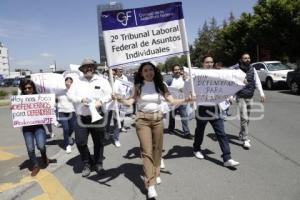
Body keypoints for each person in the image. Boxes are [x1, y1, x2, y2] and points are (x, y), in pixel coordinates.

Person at [113, 62, 195, 198]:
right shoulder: (138, 86)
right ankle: (150, 184)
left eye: (150, 69)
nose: (148, 72)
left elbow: (172, 101)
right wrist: (119, 99)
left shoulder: (160, 85)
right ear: (141, 73)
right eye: (145, 70)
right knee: (147, 151)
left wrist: (186, 100)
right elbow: (129, 102)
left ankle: (156, 173)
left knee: (157, 149)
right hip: (142, 121)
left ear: (154, 71)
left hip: (157, 120)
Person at [67, 58, 112, 177]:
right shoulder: (77, 82)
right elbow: (70, 95)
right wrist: (80, 99)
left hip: (97, 117)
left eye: (90, 66)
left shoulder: (102, 80)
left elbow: (109, 95)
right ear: (82, 69)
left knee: (99, 142)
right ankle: (87, 163)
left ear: (94, 68)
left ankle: (98, 164)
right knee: (80, 142)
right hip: (82, 117)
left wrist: (101, 102)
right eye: (86, 67)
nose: (88, 68)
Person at [193, 56, 240, 168]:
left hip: (215, 108)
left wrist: (228, 97)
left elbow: (223, 88)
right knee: (200, 131)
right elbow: (190, 87)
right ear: (203, 63)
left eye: (211, 62)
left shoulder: (218, 75)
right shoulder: (197, 75)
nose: (209, 64)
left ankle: (227, 158)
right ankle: (196, 149)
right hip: (202, 109)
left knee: (221, 133)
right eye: (207, 62)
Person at [232, 53, 265, 148]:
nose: (247, 59)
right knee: (244, 118)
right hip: (240, 96)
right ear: (241, 59)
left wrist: (262, 93)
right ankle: (245, 139)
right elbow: (232, 83)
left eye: (248, 58)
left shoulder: (252, 69)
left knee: (248, 118)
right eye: (245, 58)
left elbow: (257, 81)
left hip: (250, 96)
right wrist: (231, 96)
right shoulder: (236, 70)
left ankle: (242, 134)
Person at [18, 79, 49, 176]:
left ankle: (44, 155)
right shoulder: (19, 100)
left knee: (41, 146)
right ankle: (36, 165)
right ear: (22, 89)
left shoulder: (39, 98)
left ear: (33, 88)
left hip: (38, 127)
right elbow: (17, 113)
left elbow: (47, 107)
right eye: (25, 88)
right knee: (30, 149)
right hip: (27, 129)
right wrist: (14, 107)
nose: (27, 90)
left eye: (29, 88)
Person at [166, 65, 193, 139]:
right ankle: (171, 129)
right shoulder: (169, 80)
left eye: (178, 69)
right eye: (175, 70)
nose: (177, 71)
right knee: (172, 117)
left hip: (182, 101)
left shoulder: (184, 79)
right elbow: (165, 89)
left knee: (184, 117)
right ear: (173, 71)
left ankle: (186, 133)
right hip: (173, 102)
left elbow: (189, 88)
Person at [57, 76, 76, 154]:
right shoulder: (59, 91)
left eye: (70, 81)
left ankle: (68, 136)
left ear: (72, 83)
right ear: (64, 82)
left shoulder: (74, 91)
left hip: (72, 111)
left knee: (72, 127)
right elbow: (53, 98)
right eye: (67, 81)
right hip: (62, 112)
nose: (68, 82)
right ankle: (67, 145)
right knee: (65, 128)